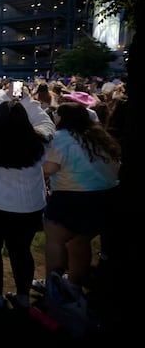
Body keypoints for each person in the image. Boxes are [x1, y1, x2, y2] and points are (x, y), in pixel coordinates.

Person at [0, 86, 54, 308]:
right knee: (21, 251)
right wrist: (27, 100)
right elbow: (46, 122)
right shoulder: (41, 141)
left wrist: (2, 96)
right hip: (27, 206)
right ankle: (23, 297)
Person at [40, 102, 120, 301]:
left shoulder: (61, 138)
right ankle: (74, 285)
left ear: (64, 118)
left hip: (73, 197)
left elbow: (48, 169)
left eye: (56, 114)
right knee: (79, 241)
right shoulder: (100, 137)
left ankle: (54, 287)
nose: (54, 117)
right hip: (107, 197)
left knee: (55, 241)